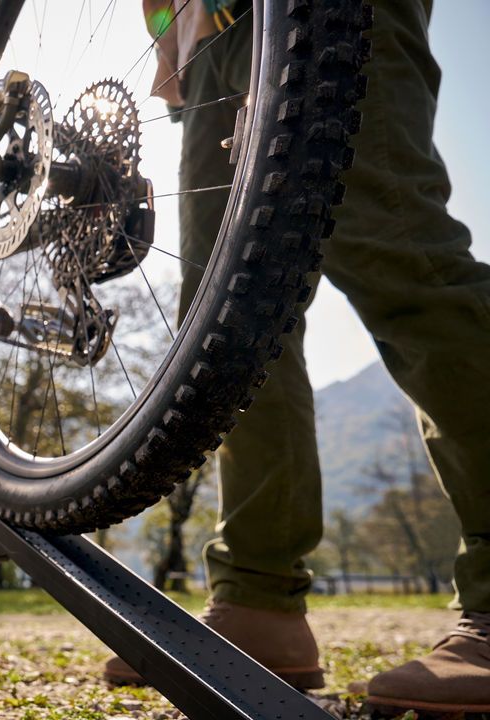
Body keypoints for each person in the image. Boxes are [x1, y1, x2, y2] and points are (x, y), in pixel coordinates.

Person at [105, 0, 490, 714]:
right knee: (227, 324)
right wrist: (171, 39)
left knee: (401, 260)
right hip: (215, 34)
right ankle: (257, 603)